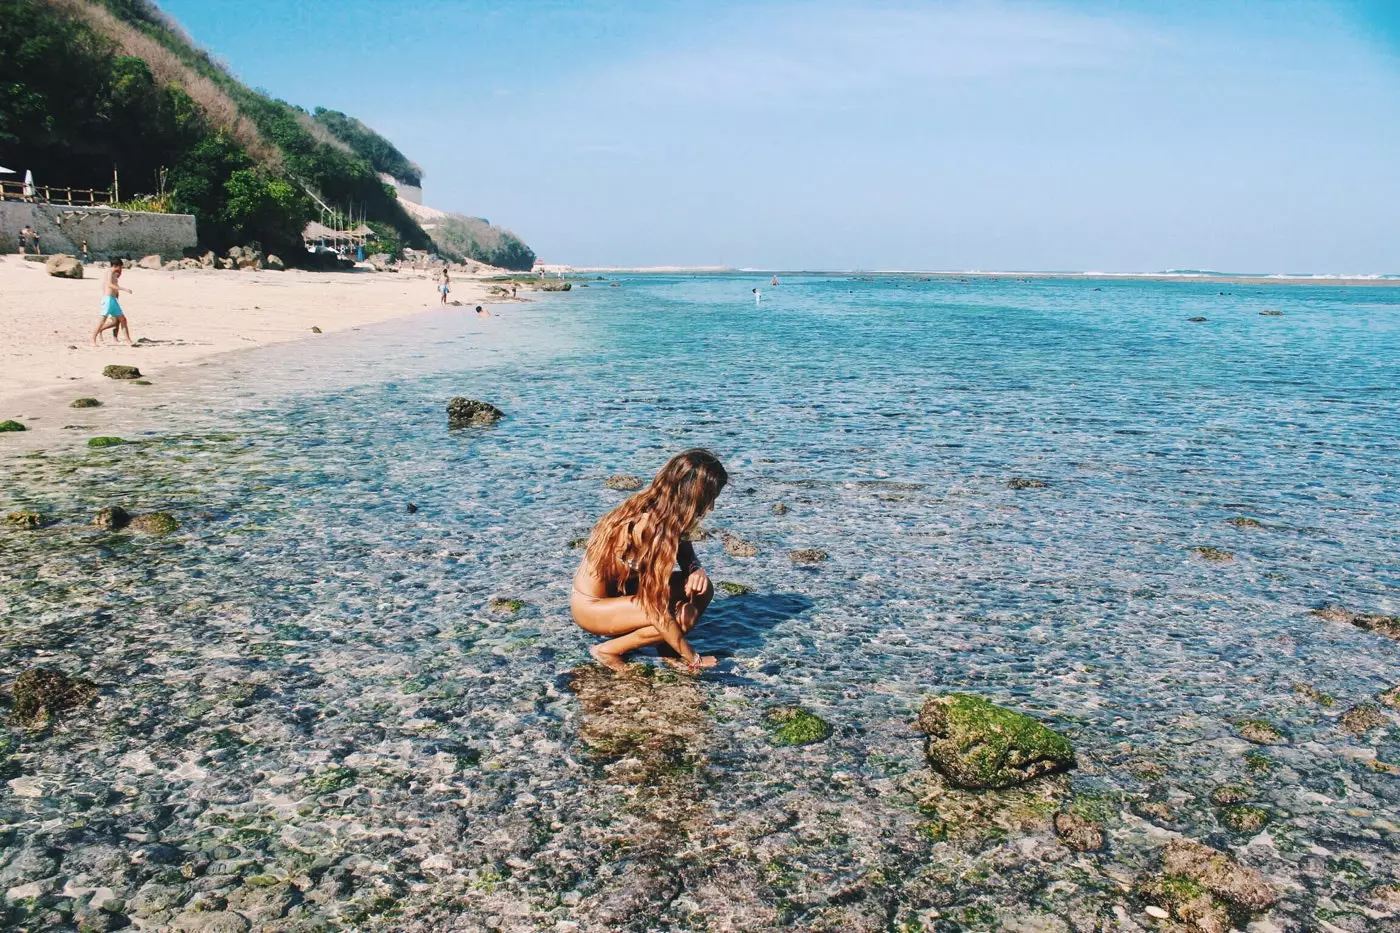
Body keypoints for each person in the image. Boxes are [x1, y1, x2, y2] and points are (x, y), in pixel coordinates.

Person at [571, 449, 727, 674]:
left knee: (703, 590)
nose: (710, 507)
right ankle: (607, 650)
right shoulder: (646, 527)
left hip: (626, 595)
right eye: (709, 499)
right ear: (692, 497)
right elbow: (656, 610)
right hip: (592, 607)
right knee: (681, 617)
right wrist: (693, 657)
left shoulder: (662, 509)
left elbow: (681, 541)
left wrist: (693, 568)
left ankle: (666, 646)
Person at [92, 259, 132, 345]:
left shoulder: (114, 274)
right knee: (102, 321)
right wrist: (124, 289)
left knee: (123, 320)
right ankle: (93, 340)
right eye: (120, 267)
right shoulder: (109, 272)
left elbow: (115, 282)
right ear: (116, 266)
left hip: (113, 300)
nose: (121, 269)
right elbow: (109, 285)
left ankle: (129, 341)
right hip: (108, 299)